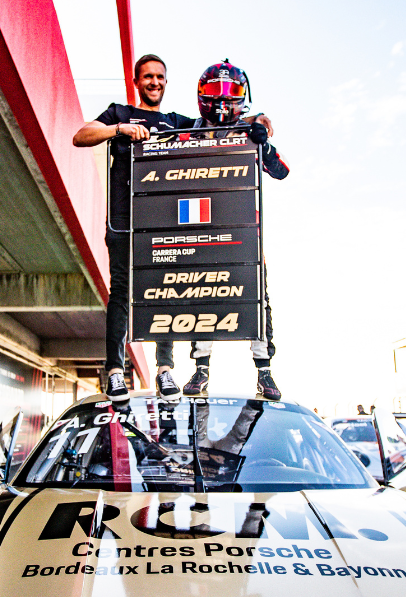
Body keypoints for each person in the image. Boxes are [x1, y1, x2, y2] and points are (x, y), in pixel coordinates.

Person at [72, 54, 273, 402]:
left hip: (161, 223)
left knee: (165, 290)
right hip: (123, 222)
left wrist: (261, 121)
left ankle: (165, 370)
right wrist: (119, 130)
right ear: (136, 82)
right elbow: (81, 135)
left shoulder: (176, 122)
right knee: (121, 293)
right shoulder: (119, 112)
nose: (154, 82)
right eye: (147, 77)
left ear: (166, 82)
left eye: (160, 77)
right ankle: (115, 372)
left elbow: (222, 121)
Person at [179, 61, 290, 401]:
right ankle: (201, 368)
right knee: (200, 293)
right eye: (216, 92)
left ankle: (264, 371)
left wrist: (264, 143)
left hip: (244, 230)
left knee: (257, 299)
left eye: (232, 92)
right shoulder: (187, 130)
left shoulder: (250, 130)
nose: (224, 99)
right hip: (197, 226)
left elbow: (281, 170)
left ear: (244, 96)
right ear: (202, 96)